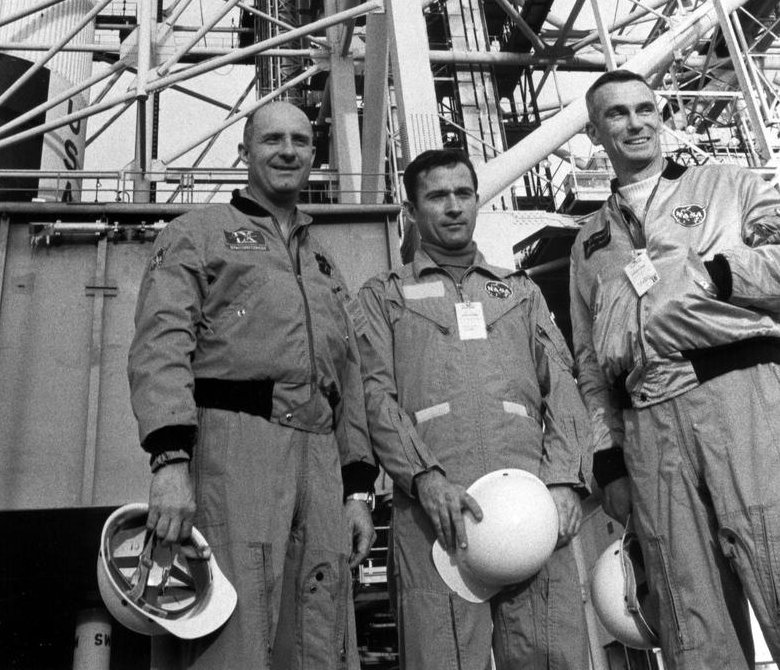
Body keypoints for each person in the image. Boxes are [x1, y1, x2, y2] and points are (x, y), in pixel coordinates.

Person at [570, 68, 780, 670]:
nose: (636, 123)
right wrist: (608, 459)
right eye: (617, 114)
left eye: (645, 109)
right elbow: (589, 366)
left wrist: (717, 273)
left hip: (746, 400)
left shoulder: (730, 185)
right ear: (594, 131)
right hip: (648, 428)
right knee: (691, 616)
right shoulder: (590, 241)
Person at [128, 101, 377, 669]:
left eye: (300, 141)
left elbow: (351, 385)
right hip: (233, 451)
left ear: (314, 156)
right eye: (272, 140)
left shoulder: (324, 265)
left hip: (319, 460)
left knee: (320, 632)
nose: (287, 151)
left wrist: (357, 491)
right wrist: (169, 461)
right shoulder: (198, 234)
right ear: (244, 152)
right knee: (233, 627)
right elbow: (160, 344)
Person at [352, 148, 593, 670]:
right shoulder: (383, 297)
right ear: (411, 210)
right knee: (443, 657)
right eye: (438, 196)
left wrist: (564, 480)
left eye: (464, 193)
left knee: (553, 655)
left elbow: (565, 389)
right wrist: (425, 478)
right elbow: (372, 395)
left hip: (533, 504)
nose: (455, 206)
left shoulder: (520, 292)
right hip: (437, 512)